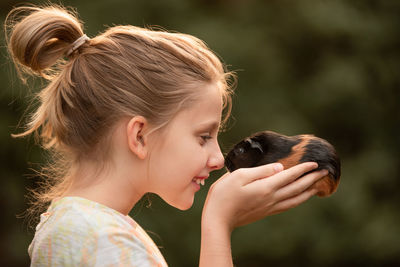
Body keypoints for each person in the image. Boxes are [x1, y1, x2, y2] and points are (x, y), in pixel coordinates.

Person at [5, 4, 328, 267]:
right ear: (140, 136)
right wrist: (217, 223)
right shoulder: (100, 241)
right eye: (203, 136)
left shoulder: (84, 231)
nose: (218, 159)